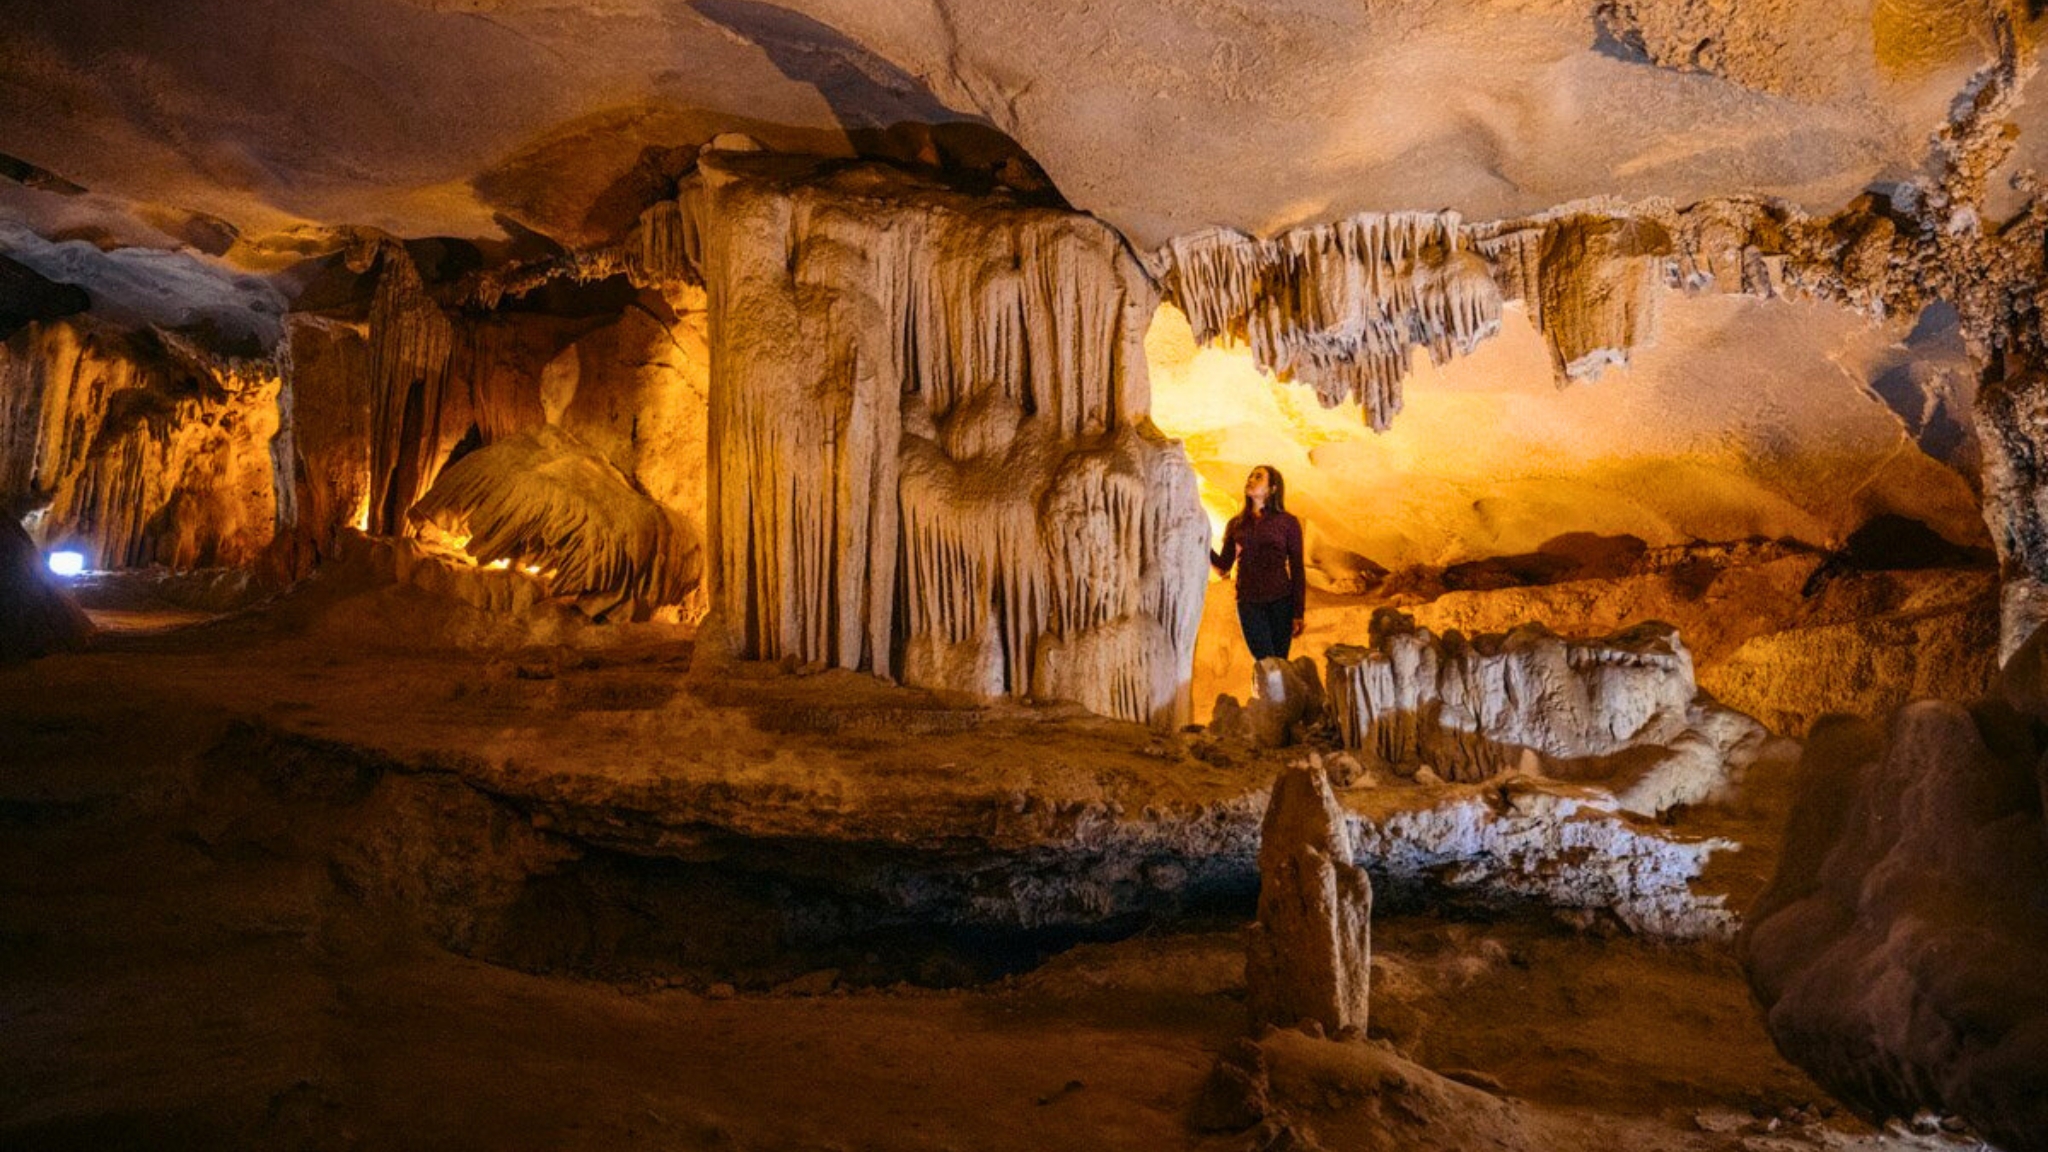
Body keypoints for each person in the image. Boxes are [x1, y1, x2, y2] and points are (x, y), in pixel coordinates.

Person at [1210, 464, 1305, 661]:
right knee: (1265, 664)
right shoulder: (1236, 524)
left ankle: (1280, 693)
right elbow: (1222, 567)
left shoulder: (1287, 522)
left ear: (1272, 488)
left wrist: (1298, 612)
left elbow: (1297, 568)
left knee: (1280, 665)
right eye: (1251, 476)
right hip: (1249, 602)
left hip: (1281, 601)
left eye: (1258, 477)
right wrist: (1200, 539)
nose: (1251, 479)